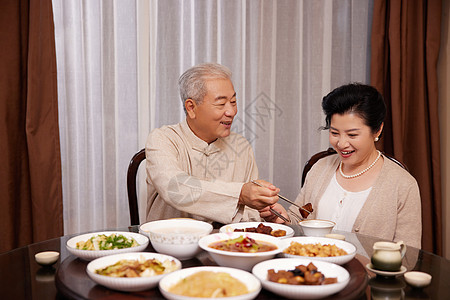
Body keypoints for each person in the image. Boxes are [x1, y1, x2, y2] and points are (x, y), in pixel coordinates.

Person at [261, 83, 422, 248]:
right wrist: (280, 218)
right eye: (334, 133)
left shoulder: (403, 185)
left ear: (378, 130)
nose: (342, 143)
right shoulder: (320, 168)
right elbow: (299, 220)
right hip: (313, 269)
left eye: (352, 134)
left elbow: (408, 254)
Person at [145, 63, 280, 225]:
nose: (231, 112)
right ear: (191, 107)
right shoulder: (163, 139)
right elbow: (174, 189)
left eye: (234, 101)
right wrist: (241, 194)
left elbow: (250, 214)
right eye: (221, 104)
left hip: (227, 245)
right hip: (169, 245)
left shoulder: (240, 146)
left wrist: (263, 210)